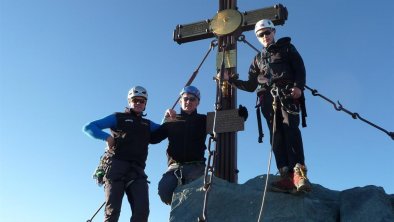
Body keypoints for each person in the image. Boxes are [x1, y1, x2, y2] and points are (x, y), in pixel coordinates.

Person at [222, 19, 311, 193]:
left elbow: (300, 68)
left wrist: (299, 87)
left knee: (291, 130)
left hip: (287, 95)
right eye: (260, 35)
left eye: (267, 33)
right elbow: (250, 85)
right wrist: (230, 80)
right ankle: (285, 174)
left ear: (273, 32)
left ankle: (299, 173)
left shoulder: (287, 48)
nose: (264, 37)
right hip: (268, 100)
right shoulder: (257, 60)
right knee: (276, 134)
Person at [83, 86, 160, 222]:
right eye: (135, 100)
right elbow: (89, 127)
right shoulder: (118, 117)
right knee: (112, 213)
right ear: (129, 101)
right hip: (116, 167)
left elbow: (163, 130)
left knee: (142, 212)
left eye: (142, 101)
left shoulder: (147, 124)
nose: (138, 103)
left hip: (137, 171)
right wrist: (106, 137)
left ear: (145, 104)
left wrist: (168, 118)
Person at [150, 86, 207, 205]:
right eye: (186, 98)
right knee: (165, 192)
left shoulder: (204, 120)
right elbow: (153, 139)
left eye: (192, 99)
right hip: (175, 168)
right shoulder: (172, 120)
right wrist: (164, 120)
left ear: (198, 103)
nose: (188, 102)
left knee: (195, 200)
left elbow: (224, 123)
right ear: (180, 100)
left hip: (196, 167)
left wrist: (241, 116)